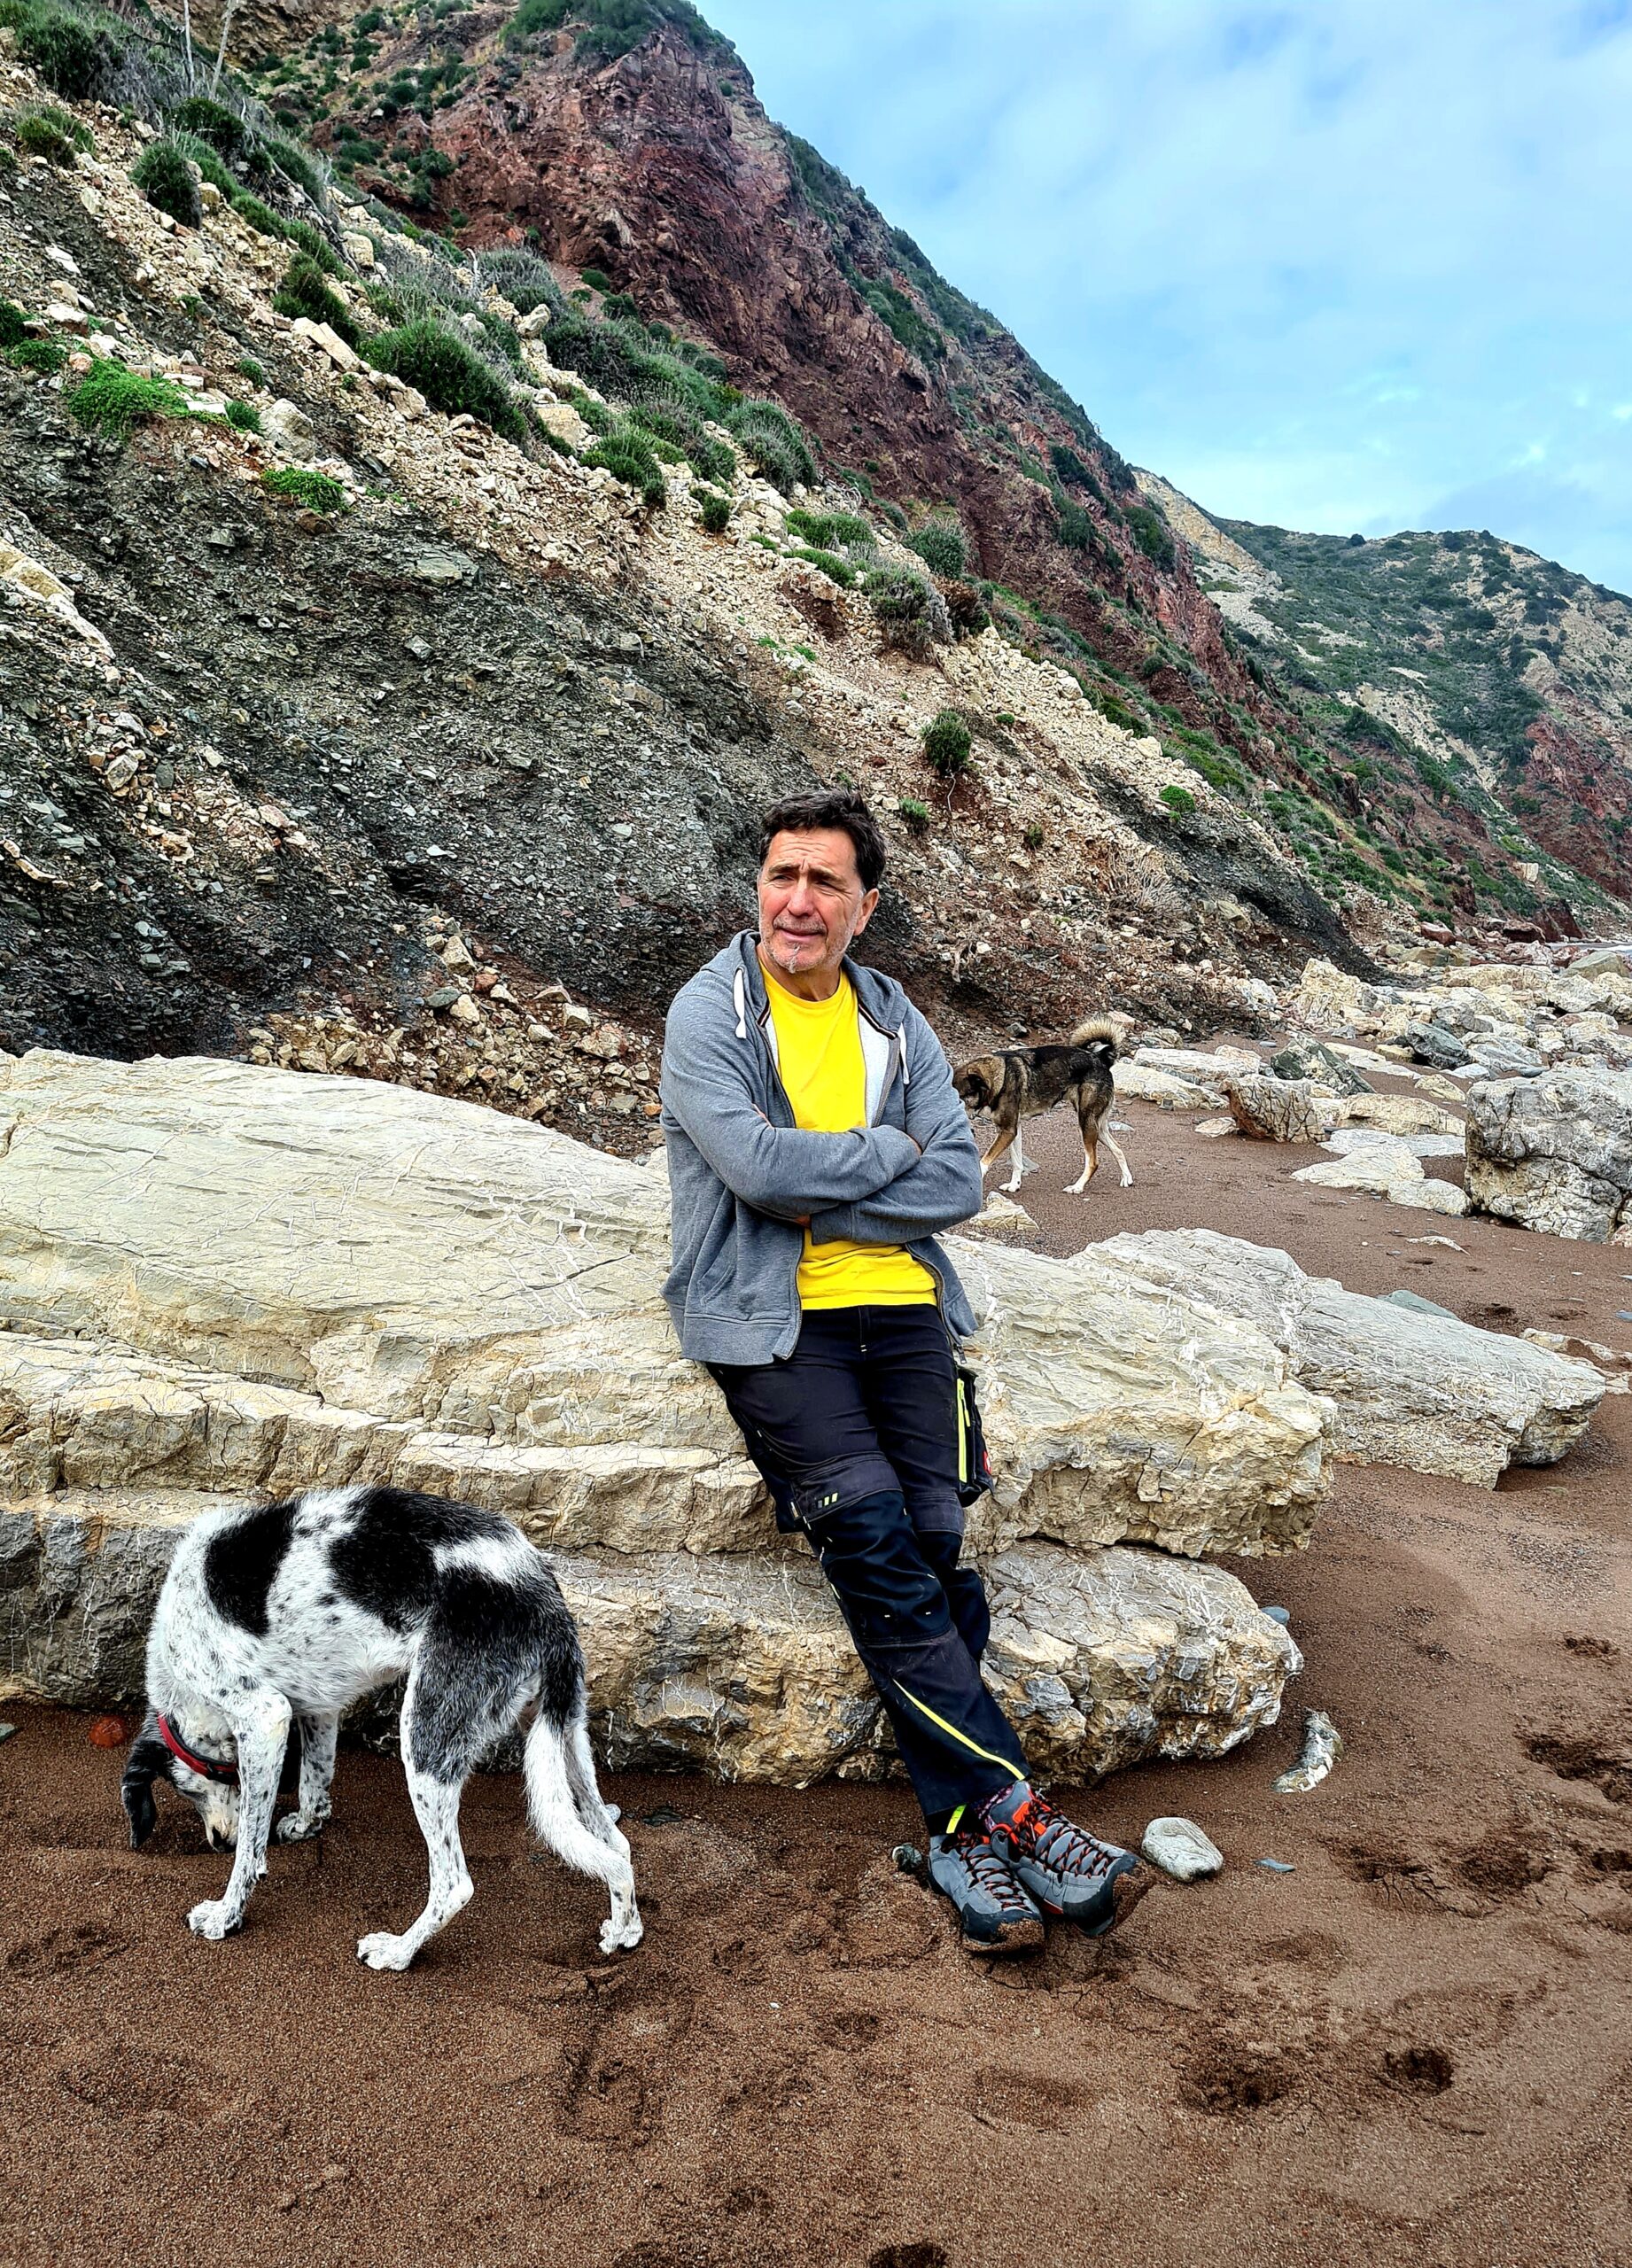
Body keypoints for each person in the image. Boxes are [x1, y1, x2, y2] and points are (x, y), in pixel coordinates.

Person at [659, 787, 1145, 1956]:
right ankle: (1016, 1813)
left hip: (910, 1314)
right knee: (876, 1542)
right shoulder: (711, 1011)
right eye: (782, 876)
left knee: (932, 1547)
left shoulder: (892, 1018)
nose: (798, 901)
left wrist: (829, 1194)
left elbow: (957, 1183)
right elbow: (754, 1170)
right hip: (775, 1323)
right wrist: (884, 1154)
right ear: (759, 888)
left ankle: (957, 1838)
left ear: (864, 907)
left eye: (824, 882)